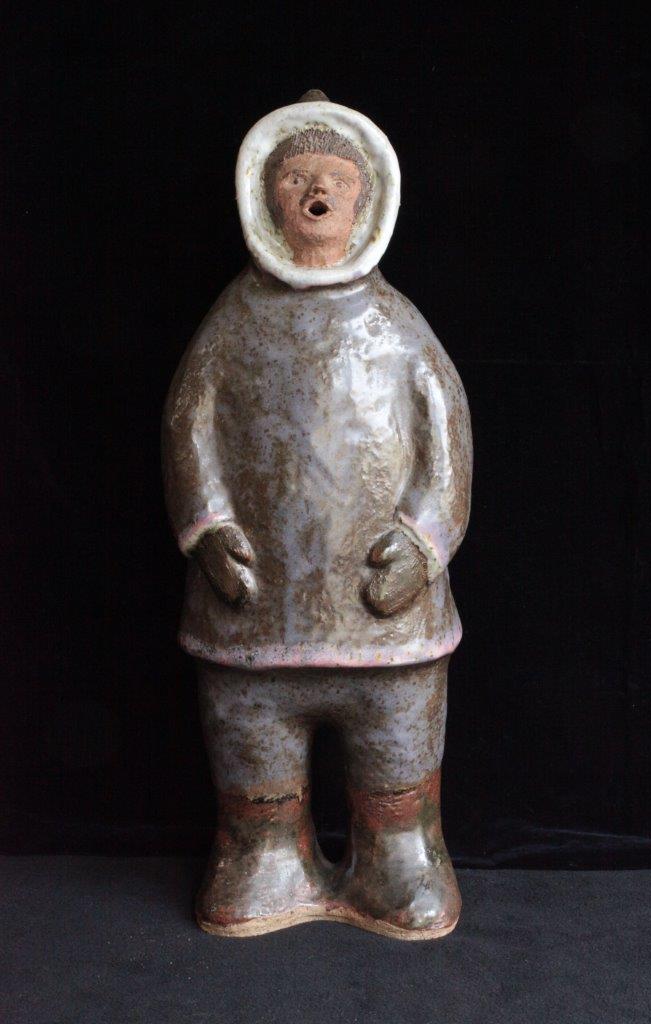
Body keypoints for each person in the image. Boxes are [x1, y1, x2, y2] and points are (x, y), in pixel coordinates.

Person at [162, 91, 473, 939]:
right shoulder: (232, 324)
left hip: (386, 618)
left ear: (367, 199)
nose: (317, 193)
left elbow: (447, 443)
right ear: (264, 199)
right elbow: (188, 428)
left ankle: (399, 861)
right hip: (255, 610)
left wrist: (424, 542)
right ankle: (263, 856)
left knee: (396, 752)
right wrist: (207, 530)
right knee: (251, 744)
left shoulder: (396, 328)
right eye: (296, 177)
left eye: (334, 177)